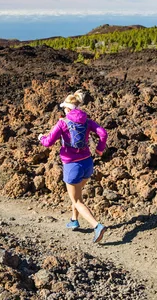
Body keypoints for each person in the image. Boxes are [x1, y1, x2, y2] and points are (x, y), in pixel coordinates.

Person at [38, 90, 108, 243]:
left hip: (72, 166)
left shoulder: (63, 122)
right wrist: (100, 149)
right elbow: (103, 133)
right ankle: (74, 220)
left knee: (77, 200)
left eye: (64, 109)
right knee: (77, 194)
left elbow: (48, 142)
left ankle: (97, 226)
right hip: (88, 164)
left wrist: (41, 138)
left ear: (68, 109)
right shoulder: (87, 121)